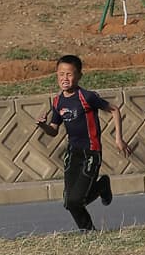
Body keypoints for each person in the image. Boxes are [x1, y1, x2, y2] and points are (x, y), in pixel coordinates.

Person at [35, 54, 132, 231]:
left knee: (76, 200)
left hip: (91, 152)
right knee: (69, 202)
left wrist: (119, 138)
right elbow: (54, 130)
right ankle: (89, 233)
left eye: (69, 74)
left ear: (79, 76)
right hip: (73, 154)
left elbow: (114, 110)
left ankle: (102, 185)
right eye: (61, 74)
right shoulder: (57, 101)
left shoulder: (87, 97)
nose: (65, 78)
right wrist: (43, 126)